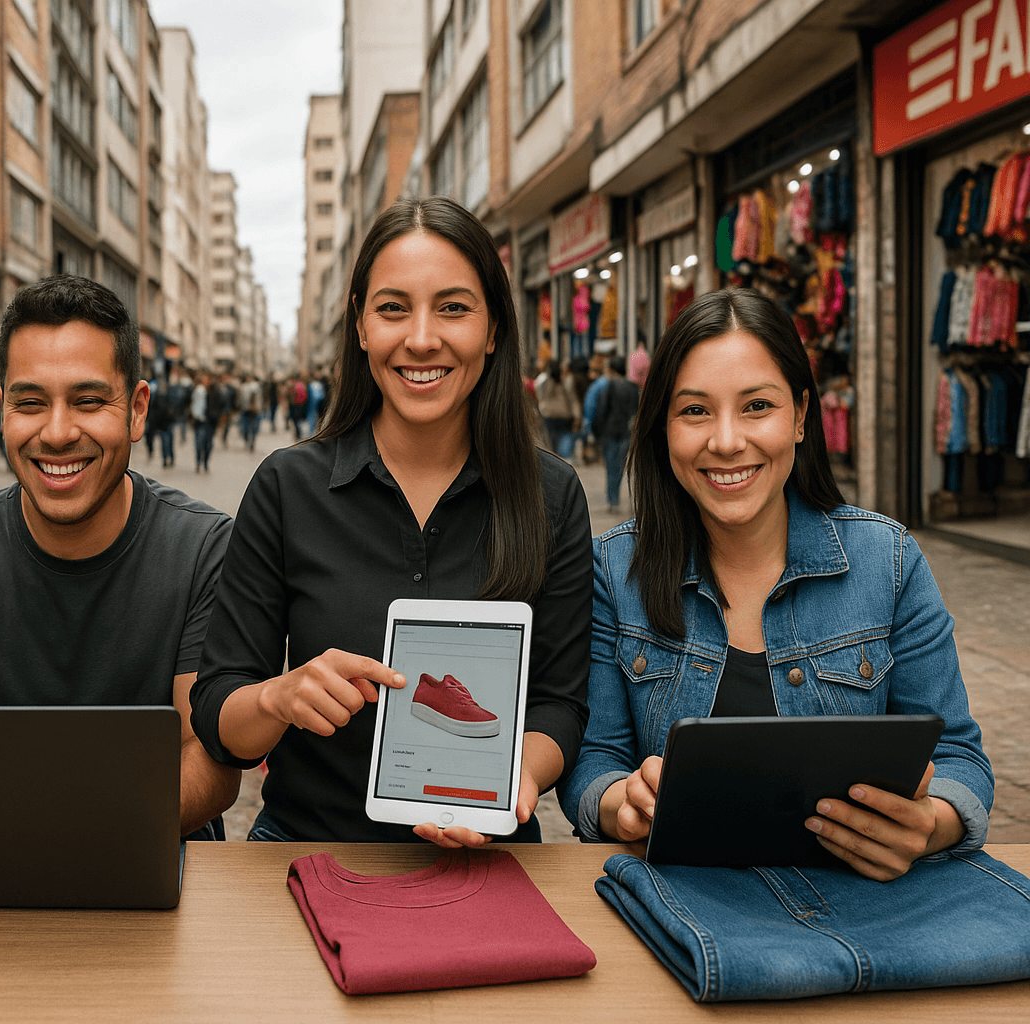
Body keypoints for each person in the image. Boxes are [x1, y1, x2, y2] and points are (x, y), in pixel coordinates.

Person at [189, 196, 592, 846]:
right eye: (393, 308)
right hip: (308, 853)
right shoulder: (287, 487)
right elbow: (217, 710)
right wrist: (278, 699)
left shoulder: (553, 494)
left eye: (454, 308)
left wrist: (515, 775)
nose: (422, 337)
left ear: (493, 330)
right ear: (360, 325)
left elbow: (560, 703)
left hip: (487, 863)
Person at [558, 289, 993, 881]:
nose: (728, 440)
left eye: (757, 405)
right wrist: (622, 806)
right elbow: (595, 762)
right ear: (662, 426)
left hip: (865, 909)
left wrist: (928, 824)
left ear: (801, 417)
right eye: (695, 411)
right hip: (679, 911)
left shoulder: (887, 560)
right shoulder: (615, 570)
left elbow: (960, 759)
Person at [0, 275, 239, 838]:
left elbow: (212, 763)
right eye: (30, 403)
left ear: (137, 410)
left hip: (161, 861)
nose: (57, 432)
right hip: (4, 866)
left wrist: (72, 832)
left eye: (88, 401)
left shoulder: (202, 547)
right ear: (2, 412)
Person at [592, 355, 639, 514]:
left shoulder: (609, 386)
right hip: (627, 431)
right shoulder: (633, 387)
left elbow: (602, 409)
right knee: (620, 466)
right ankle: (615, 497)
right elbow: (636, 411)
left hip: (610, 431)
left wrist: (597, 431)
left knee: (611, 466)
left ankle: (613, 499)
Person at [533, 358, 579, 456]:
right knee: (565, 435)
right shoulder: (565, 382)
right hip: (564, 413)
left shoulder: (545, 382)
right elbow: (572, 399)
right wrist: (577, 414)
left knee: (552, 437)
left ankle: (556, 456)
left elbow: (539, 395)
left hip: (548, 413)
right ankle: (564, 457)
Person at [191, 372, 216, 472]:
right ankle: (200, 462)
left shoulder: (212, 391)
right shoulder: (200, 390)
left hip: (208, 421)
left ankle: (203, 462)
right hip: (201, 421)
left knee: (206, 444)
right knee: (201, 443)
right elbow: (196, 405)